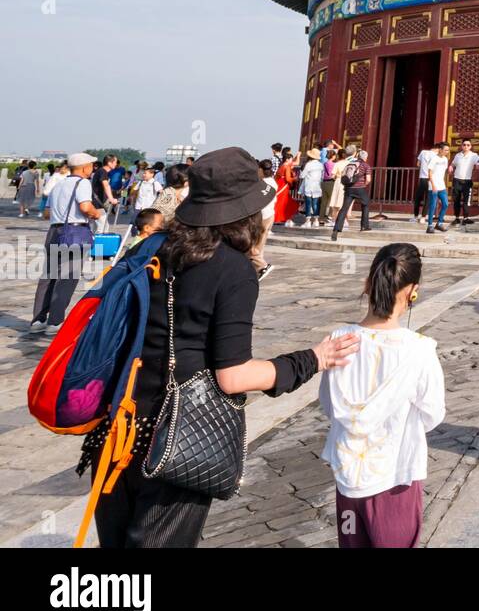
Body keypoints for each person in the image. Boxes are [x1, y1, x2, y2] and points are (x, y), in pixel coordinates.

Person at [86, 147, 359, 548]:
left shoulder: (152, 247)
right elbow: (234, 377)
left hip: (115, 426)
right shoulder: (232, 270)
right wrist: (311, 359)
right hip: (176, 438)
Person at [320, 242, 446, 548]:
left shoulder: (338, 340)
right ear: (413, 291)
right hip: (396, 474)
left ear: (369, 282)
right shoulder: (419, 349)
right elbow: (432, 413)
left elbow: (328, 404)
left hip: (349, 475)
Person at [30, 152, 98, 333]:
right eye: (91, 165)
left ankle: (38, 320)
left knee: (48, 277)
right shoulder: (83, 183)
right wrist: (97, 213)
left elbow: (46, 213)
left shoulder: (58, 184)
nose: (92, 168)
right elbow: (85, 207)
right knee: (66, 278)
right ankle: (55, 321)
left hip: (54, 231)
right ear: (84, 167)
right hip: (74, 232)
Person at [331, 149, 373, 241]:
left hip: (348, 189)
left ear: (358, 156)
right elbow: (368, 179)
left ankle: (336, 229)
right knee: (366, 204)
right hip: (359, 189)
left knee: (344, 208)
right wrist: (364, 184)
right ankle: (364, 226)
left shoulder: (350, 163)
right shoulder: (366, 165)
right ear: (365, 157)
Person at [449, 139, 479, 227]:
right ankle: (457, 218)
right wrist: (450, 166)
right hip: (457, 180)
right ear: (461, 146)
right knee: (456, 200)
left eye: (468, 145)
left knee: (467, 201)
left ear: (470, 146)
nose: (466, 146)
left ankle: (465, 218)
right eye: (464, 145)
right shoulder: (457, 155)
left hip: (467, 181)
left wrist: (478, 166)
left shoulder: (474, 155)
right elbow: (453, 164)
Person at [424, 143, 450, 234]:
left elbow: (444, 173)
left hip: (441, 185)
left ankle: (439, 223)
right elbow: (430, 172)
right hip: (433, 185)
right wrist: (433, 184)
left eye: (448, 150)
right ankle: (430, 225)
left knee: (445, 204)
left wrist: (444, 184)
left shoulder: (445, 159)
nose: (447, 152)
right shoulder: (434, 159)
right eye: (446, 150)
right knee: (433, 205)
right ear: (440, 149)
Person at [273, 149, 300, 227]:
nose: (292, 161)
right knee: (284, 202)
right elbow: (288, 179)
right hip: (284, 186)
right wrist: (294, 179)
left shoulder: (282, 166)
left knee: (279, 202)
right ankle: (281, 218)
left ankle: (279, 218)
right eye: (291, 159)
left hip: (279, 185)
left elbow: (277, 176)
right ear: (288, 159)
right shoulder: (287, 167)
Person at [412, 140, 438, 221]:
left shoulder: (423, 152)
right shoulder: (436, 156)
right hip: (430, 179)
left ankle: (415, 217)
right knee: (428, 199)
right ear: (438, 149)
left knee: (418, 198)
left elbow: (418, 164)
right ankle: (423, 217)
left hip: (422, 178)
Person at [299, 148, 325, 228]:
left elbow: (302, 175)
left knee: (308, 204)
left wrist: (300, 174)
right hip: (317, 186)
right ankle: (316, 221)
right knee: (315, 204)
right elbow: (322, 177)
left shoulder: (309, 164)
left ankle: (308, 221)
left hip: (309, 186)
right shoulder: (321, 165)